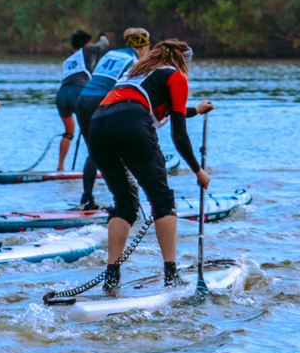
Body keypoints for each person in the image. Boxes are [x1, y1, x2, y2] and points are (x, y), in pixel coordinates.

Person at [86, 39, 212, 296]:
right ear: (182, 62)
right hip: (131, 123)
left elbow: (160, 108)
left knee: (125, 204)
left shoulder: (135, 73)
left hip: (98, 125)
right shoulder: (176, 77)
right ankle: (171, 275)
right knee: (162, 199)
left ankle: (111, 279)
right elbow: (179, 135)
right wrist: (197, 170)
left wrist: (195, 110)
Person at [73, 27, 150, 211]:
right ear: (143, 46)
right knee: (119, 150)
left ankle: (87, 199)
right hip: (101, 102)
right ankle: (126, 202)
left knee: (94, 152)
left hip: (83, 100)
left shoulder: (111, 54)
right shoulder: (134, 61)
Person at [52, 32, 98, 171]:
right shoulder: (86, 51)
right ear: (86, 44)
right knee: (90, 132)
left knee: (68, 132)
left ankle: (60, 167)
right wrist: (103, 38)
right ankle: (95, 166)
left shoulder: (68, 61)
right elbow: (103, 46)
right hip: (78, 94)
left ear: (72, 48)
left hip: (62, 95)